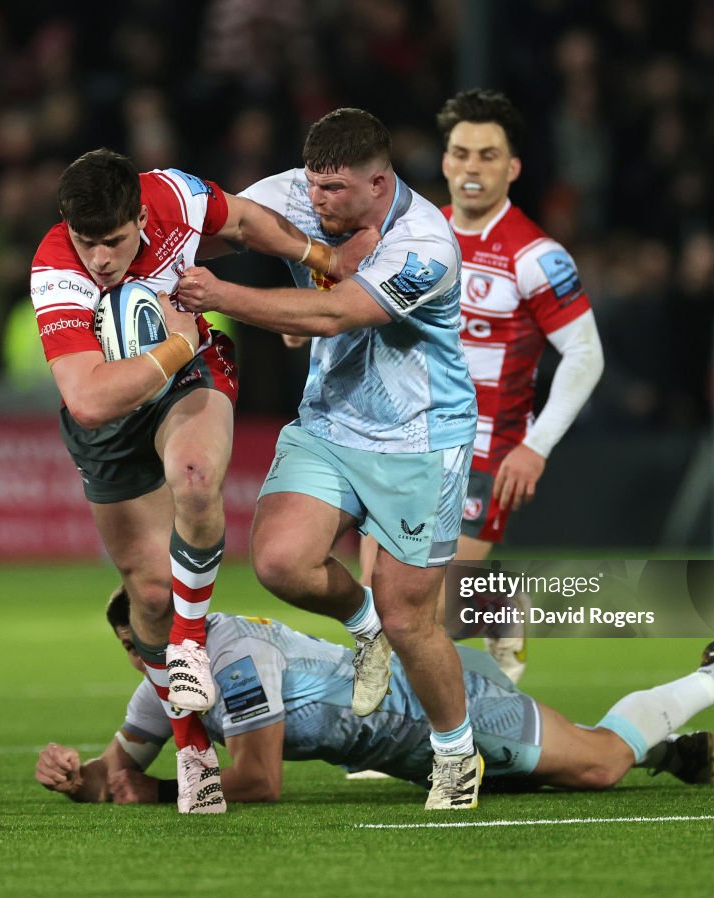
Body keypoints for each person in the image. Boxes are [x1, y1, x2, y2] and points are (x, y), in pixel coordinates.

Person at [29, 148, 370, 813]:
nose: (100, 259)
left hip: (188, 377)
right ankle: (191, 749)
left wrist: (320, 262)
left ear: (139, 217)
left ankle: (189, 647)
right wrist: (179, 343)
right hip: (119, 404)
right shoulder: (54, 270)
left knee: (193, 477)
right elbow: (91, 401)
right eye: (86, 242)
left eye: (115, 242)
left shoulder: (173, 198)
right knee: (150, 595)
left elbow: (244, 222)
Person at [176, 108, 483, 810]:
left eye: (334, 192)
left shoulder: (426, 244)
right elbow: (224, 231)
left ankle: (456, 753)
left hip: (419, 440)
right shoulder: (296, 191)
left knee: (414, 618)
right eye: (312, 187)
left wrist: (224, 298)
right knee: (281, 562)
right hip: (331, 422)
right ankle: (363, 627)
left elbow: (338, 313)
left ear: (379, 183)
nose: (316, 203)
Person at [35, 586, 714, 805]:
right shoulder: (163, 682)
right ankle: (670, 753)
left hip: (437, 710)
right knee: (569, 765)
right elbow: (117, 772)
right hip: (415, 752)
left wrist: (162, 788)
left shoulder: (231, 654)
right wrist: (82, 779)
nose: (158, 652)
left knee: (599, 766)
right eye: (144, 645)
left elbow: (258, 780)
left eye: (166, 633)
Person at [359, 88, 605, 684]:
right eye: (462, 153)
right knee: (373, 610)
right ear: (444, 161)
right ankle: (387, 738)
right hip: (400, 445)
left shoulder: (537, 257)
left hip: (483, 454)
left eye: (488, 155)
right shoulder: (412, 239)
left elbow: (585, 354)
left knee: (414, 614)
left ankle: (495, 607)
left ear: (513, 167)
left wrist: (536, 446)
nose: (472, 167)